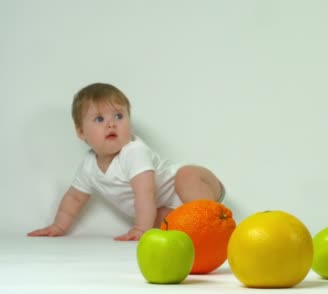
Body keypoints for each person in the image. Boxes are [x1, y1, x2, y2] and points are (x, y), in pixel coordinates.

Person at [27, 83, 224, 241]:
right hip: (170, 207)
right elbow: (74, 199)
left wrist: (140, 229)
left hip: (197, 184)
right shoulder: (88, 166)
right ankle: (199, 227)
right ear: (80, 131)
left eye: (119, 116)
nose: (111, 123)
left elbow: (145, 193)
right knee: (162, 222)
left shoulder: (134, 152)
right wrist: (59, 226)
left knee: (186, 176)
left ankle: (214, 225)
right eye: (99, 119)